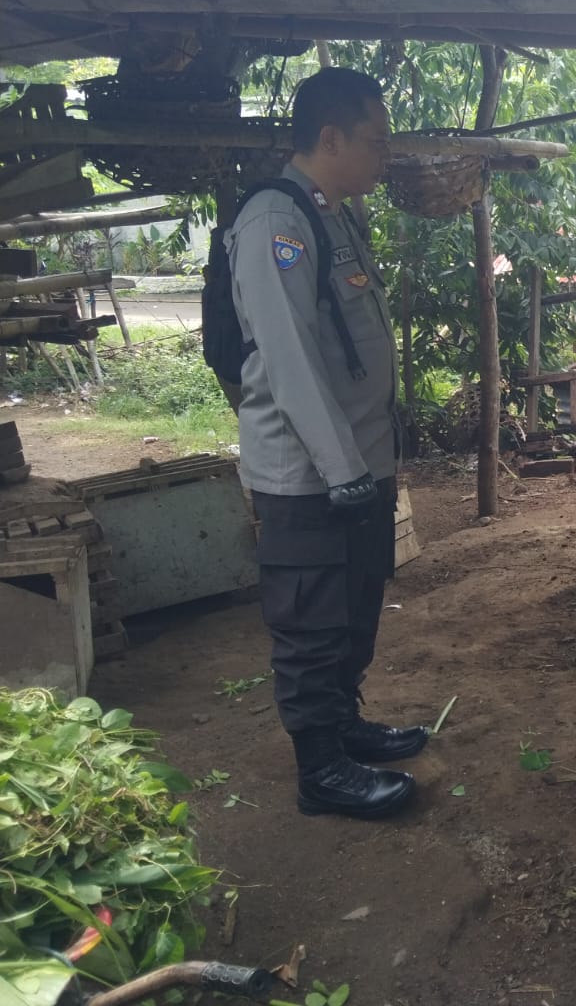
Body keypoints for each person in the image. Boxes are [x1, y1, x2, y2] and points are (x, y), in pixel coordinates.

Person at [228, 68, 424, 820]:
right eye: (376, 141)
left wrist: (367, 467)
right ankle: (320, 770)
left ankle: (343, 728)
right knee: (312, 619)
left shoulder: (332, 216)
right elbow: (289, 358)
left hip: (358, 463)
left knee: (355, 607)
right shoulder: (274, 221)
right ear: (331, 137)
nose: (384, 156)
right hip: (309, 474)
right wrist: (342, 471)